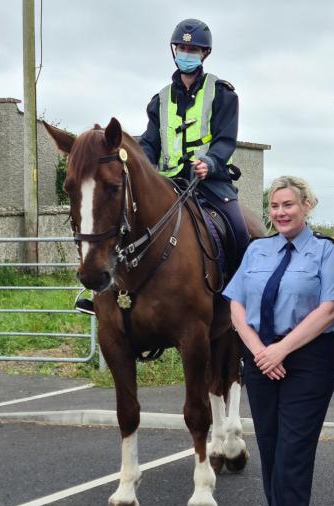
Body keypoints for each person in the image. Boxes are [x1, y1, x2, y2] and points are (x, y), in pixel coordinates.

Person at [75, 18, 249, 314]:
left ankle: (241, 295)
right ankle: (101, 292)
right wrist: (141, 163)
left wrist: (210, 162)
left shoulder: (222, 93)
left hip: (210, 182)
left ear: (204, 53)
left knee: (240, 230)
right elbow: (150, 144)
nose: (186, 52)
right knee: (122, 220)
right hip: (168, 182)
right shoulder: (160, 99)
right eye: (181, 47)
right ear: (174, 50)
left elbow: (225, 139)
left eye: (193, 48)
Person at [222, 176, 334, 506]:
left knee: (293, 456)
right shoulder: (257, 251)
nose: (280, 212)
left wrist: (281, 350)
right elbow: (236, 306)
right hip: (260, 356)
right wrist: (261, 351)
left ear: (306, 205)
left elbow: (329, 309)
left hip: (309, 359)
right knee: (272, 453)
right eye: (275, 206)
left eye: (288, 205)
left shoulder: (327, 252)